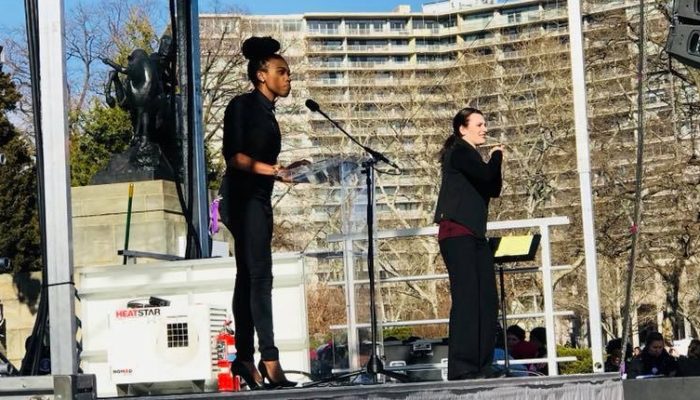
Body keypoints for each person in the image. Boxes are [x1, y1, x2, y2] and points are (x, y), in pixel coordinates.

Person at [221, 36, 299, 389]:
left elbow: (263, 161)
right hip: (241, 198)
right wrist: (274, 172)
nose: (288, 78)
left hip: (259, 197)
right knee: (260, 277)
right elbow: (235, 158)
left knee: (247, 278)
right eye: (281, 72)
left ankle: (243, 359)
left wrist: (288, 169)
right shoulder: (241, 106)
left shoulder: (268, 114)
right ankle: (269, 359)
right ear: (261, 75)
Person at [433, 107, 504, 380]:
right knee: (467, 300)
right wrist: (496, 156)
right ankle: (463, 366)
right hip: (457, 234)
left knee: (486, 301)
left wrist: (495, 160)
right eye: (479, 124)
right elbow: (488, 177)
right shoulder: (460, 152)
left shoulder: (472, 156)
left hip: (475, 235)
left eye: (485, 124)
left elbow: (492, 187)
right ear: (463, 129)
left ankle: (482, 364)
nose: (484, 128)